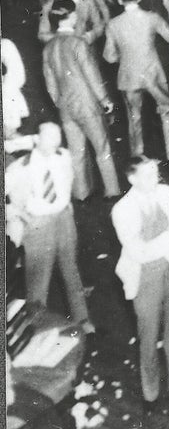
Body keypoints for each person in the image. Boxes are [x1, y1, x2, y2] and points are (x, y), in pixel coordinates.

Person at [111, 157, 169, 412]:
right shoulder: (121, 210)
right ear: (132, 179)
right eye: (148, 175)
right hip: (144, 277)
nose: (155, 179)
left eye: (156, 173)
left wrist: (164, 244)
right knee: (148, 334)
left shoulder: (168, 193)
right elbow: (139, 253)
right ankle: (150, 391)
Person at [5, 122, 94, 334]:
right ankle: (36, 330)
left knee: (71, 269)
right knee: (38, 279)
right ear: (39, 138)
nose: (55, 144)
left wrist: (66, 206)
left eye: (58, 139)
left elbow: (68, 180)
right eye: (51, 140)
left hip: (63, 218)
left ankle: (82, 320)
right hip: (37, 224)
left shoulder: (63, 156)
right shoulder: (20, 168)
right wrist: (14, 212)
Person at [43, 0, 120, 199]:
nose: (77, 16)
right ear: (69, 16)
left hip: (65, 106)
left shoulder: (48, 48)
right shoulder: (78, 43)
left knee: (76, 152)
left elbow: (50, 84)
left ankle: (81, 193)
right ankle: (112, 190)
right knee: (102, 148)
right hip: (86, 104)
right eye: (74, 13)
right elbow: (91, 75)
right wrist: (104, 99)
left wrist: (59, 103)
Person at [104, 0, 169, 160]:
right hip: (153, 73)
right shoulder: (152, 17)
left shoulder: (113, 24)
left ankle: (138, 155)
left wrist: (125, 58)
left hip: (129, 76)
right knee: (166, 110)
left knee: (134, 117)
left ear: (120, 2)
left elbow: (109, 56)